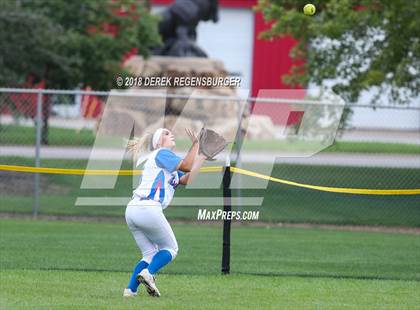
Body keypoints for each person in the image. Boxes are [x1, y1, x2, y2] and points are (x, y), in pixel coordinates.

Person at [123, 127, 206, 297]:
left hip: (133, 209)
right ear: (158, 142)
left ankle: (130, 290)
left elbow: (187, 178)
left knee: (149, 254)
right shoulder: (162, 153)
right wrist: (196, 144)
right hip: (148, 208)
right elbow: (187, 166)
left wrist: (202, 156)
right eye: (166, 134)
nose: (171, 134)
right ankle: (149, 274)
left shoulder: (167, 162)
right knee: (171, 248)